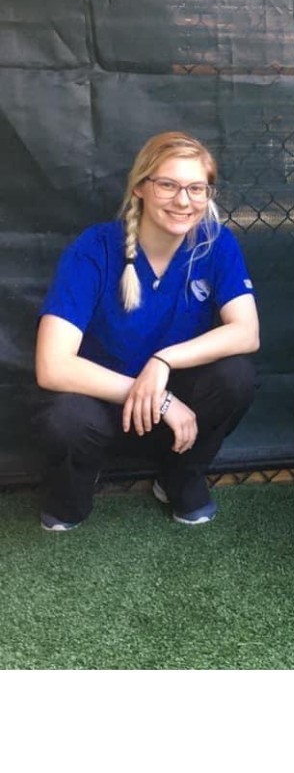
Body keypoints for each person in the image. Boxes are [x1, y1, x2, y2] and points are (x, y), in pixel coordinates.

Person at [35, 132, 260, 531]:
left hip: (176, 407)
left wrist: (163, 362)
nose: (183, 200)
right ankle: (77, 485)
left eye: (196, 188)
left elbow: (246, 332)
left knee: (237, 375)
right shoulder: (95, 248)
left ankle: (179, 476)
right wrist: (159, 400)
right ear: (141, 187)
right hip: (104, 405)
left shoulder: (216, 243)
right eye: (168, 185)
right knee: (66, 417)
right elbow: (52, 365)